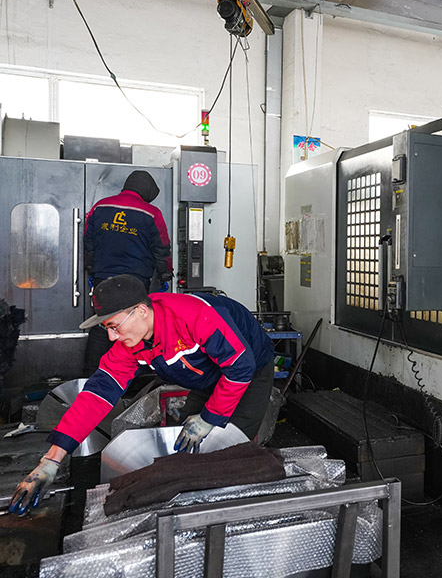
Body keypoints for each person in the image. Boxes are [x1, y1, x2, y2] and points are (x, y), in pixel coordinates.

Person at [8, 275, 276, 516]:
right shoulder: (130, 343)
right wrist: (51, 460)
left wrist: (209, 418)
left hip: (249, 369)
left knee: (231, 448)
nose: (111, 337)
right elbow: (96, 396)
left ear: (141, 311)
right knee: (186, 447)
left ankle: (234, 515)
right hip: (207, 376)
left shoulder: (195, 316)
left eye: (115, 326)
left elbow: (240, 368)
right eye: (106, 328)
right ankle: (190, 513)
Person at [82, 170, 173, 376]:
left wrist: (91, 269)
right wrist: (165, 275)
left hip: (104, 278)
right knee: (133, 325)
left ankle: (90, 375)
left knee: (103, 325)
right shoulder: (151, 213)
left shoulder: (100, 207)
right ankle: (131, 377)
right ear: (146, 190)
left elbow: (89, 243)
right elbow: (162, 248)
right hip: (135, 282)